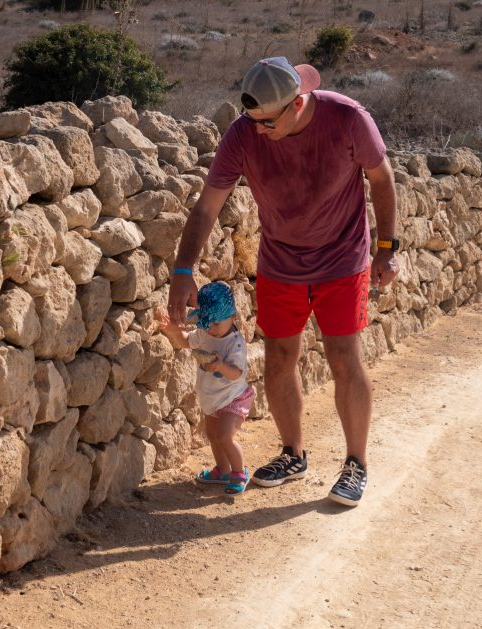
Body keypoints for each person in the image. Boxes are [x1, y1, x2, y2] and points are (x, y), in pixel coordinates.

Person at [167, 56, 400, 507]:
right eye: (251, 120)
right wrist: (182, 270)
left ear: (297, 103)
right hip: (280, 264)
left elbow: (382, 179)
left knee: (344, 358)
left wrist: (387, 248)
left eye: (267, 122)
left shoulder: (348, 119)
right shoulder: (244, 133)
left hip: (343, 262)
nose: (257, 131)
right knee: (278, 359)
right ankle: (293, 454)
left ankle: (356, 464)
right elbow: (207, 207)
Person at [158, 282, 256, 495]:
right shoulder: (205, 332)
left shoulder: (235, 343)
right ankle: (223, 471)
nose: (210, 328)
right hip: (212, 397)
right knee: (212, 435)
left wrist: (220, 366)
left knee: (225, 437)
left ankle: (239, 472)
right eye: (206, 323)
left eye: (216, 324)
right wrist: (175, 331)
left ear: (233, 317)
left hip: (234, 397)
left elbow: (237, 373)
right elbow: (187, 342)